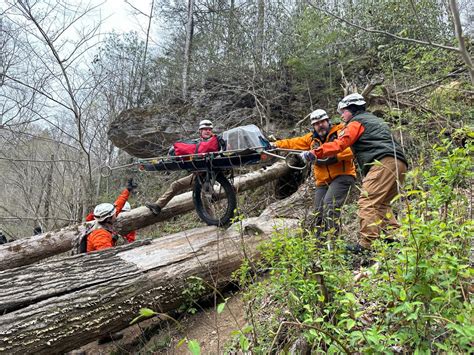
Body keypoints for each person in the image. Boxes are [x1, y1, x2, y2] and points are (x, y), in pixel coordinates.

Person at [302, 93, 408, 251]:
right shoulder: (375, 120)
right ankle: (391, 239)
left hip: (383, 163)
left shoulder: (356, 122)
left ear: (352, 109)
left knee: (367, 201)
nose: (342, 115)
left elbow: (339, 144)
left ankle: (366, 245)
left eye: (343, 111)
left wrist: (314, 153)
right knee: (382, 203)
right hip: (400, 163)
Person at [274, 109, 356, 234]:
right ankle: (320, 247)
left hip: (342, 176)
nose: (320, 125)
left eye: (322, 122)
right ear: (313, 126)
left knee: (330, 206)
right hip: (322, 181)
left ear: (328, 121)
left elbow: (352, 150)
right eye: (317, 124)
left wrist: (333, 156)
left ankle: (335, 243)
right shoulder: (311, 139)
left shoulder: (341, 132)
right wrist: (275, 144)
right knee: (318, 213)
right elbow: (292, 143)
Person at [145, 119, 225, 215]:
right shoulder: (197, 143)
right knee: (176, 185)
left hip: (210, 175)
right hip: (197, 175)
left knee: (205, 197)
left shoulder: (214, 142)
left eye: (209, 129)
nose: (207, 131)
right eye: (205, 129)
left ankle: (214, 222)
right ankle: (158, 206)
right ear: (200, 131)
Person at [86, 178, 137, 252]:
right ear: (109, 218)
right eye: (114, 213)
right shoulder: (100, 235)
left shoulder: (103, 221)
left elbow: (118, 204)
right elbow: (107, 255)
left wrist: (127, 190)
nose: (116, 213)